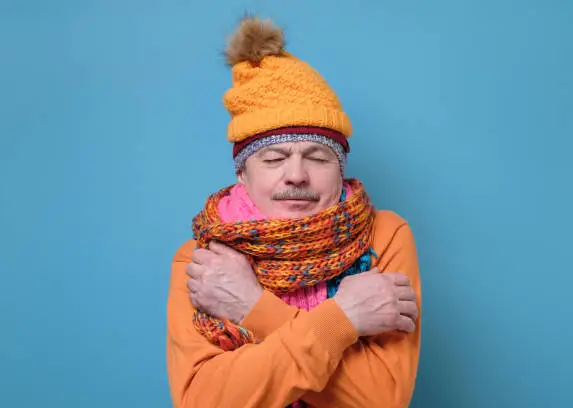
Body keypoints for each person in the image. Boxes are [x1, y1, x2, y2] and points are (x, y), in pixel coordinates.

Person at [166, 16, 422, 408]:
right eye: (274, 158)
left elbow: (382, 400)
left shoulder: (384, 237)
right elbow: (203, 401)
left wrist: (252, 307)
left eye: (318, 157)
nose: (297, 175)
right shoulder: (203, 258)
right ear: (242, 173)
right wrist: (343, 319)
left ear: (341, 169)